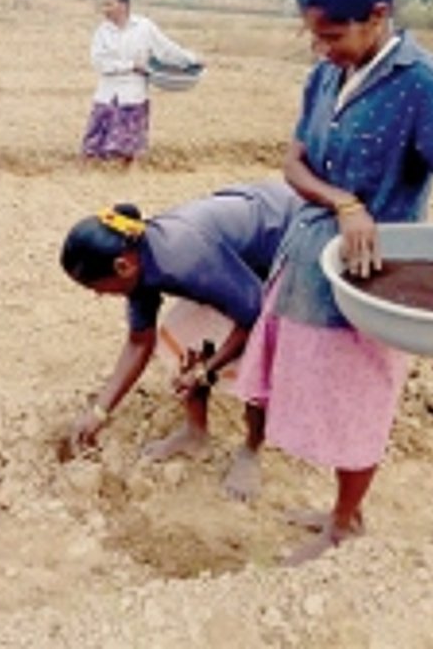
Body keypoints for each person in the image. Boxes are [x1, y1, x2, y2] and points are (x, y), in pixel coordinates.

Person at [233, 0, 433, 565]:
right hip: (307, 252)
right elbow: (293, 162)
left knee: (357, 397)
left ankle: (345, 522)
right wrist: (342, 202)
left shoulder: (424, 83)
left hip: (372, 276)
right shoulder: (327, 75)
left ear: (378, 16)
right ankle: (333, 511)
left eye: (331, 35)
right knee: (288, 371)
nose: (321, 49)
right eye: (314, 36)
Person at [60, 181, 300, 492]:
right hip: (232, 260)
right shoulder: (137, 264)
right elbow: (139, 341)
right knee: (185, 340)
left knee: (256, 357)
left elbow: (254, 317)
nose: (97, 296)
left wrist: (208, 368)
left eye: (97, 288)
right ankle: (195, 434)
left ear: (122, 266)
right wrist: (98, 412)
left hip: (286, 239)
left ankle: (251, 449)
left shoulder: (183, 258)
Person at [81, 0, 199, 164]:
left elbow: (166, 50)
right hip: (107, 95)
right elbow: (99, 63)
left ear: (123, 5)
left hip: (133, 96)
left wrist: (191, 60)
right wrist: (131, 66)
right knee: (92, 151)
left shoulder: (144, 27)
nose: (104, 9)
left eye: (109, 4)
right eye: (104, 5)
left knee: (127, 153)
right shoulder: (102, 32)